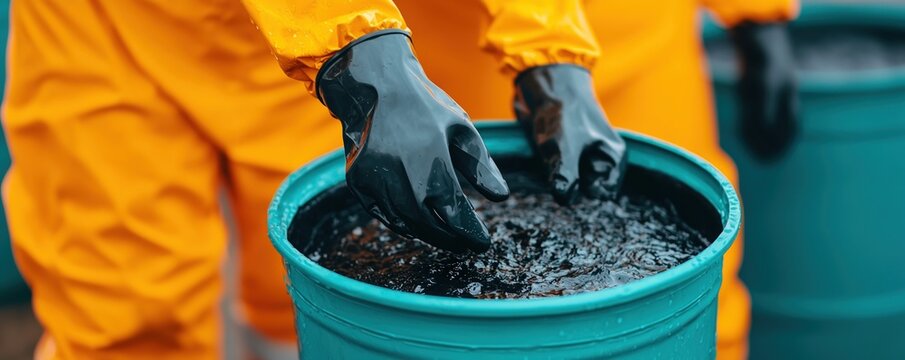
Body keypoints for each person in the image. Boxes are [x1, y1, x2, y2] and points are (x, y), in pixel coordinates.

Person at [2, 0, 796, 359]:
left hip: (293, 42)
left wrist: (546, 46)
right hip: (107, 24)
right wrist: (354, 46)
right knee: (125, 309)